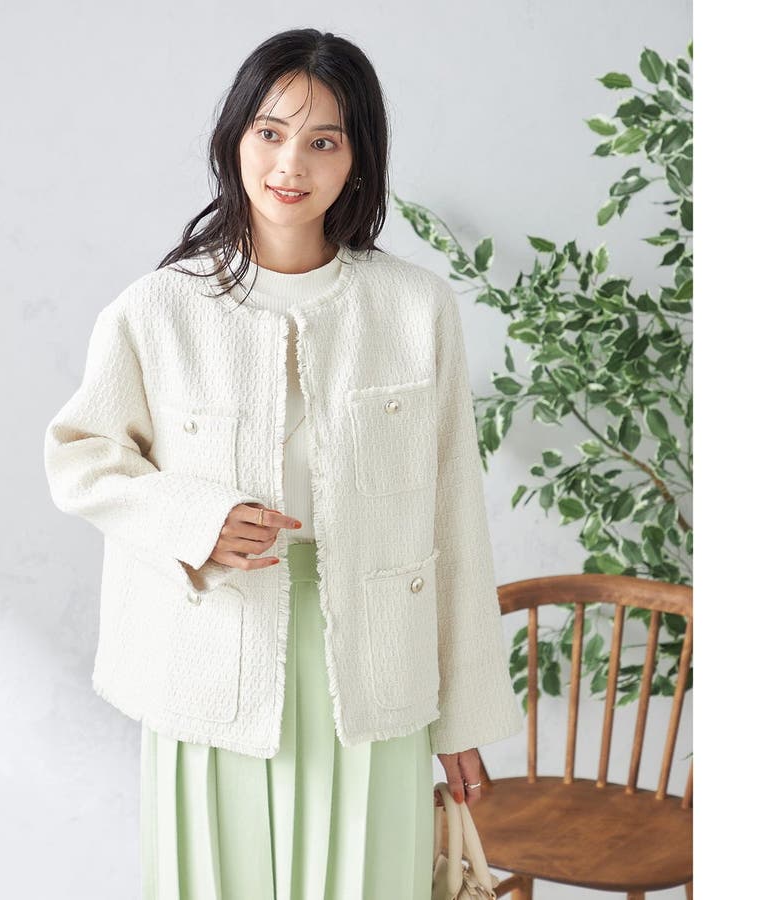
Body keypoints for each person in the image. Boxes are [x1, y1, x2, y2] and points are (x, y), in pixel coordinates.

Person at [43, 27, 524, 900]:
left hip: (377, 664)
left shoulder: (415, 309)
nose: (290, 163)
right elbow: (81, 458)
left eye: (323, 141)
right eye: (270, 132)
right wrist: (194, 522)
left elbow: (454, 514)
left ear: (358, 159)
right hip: (207, 656)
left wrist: (461, 717)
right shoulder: (160, 308)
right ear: (236, 138)